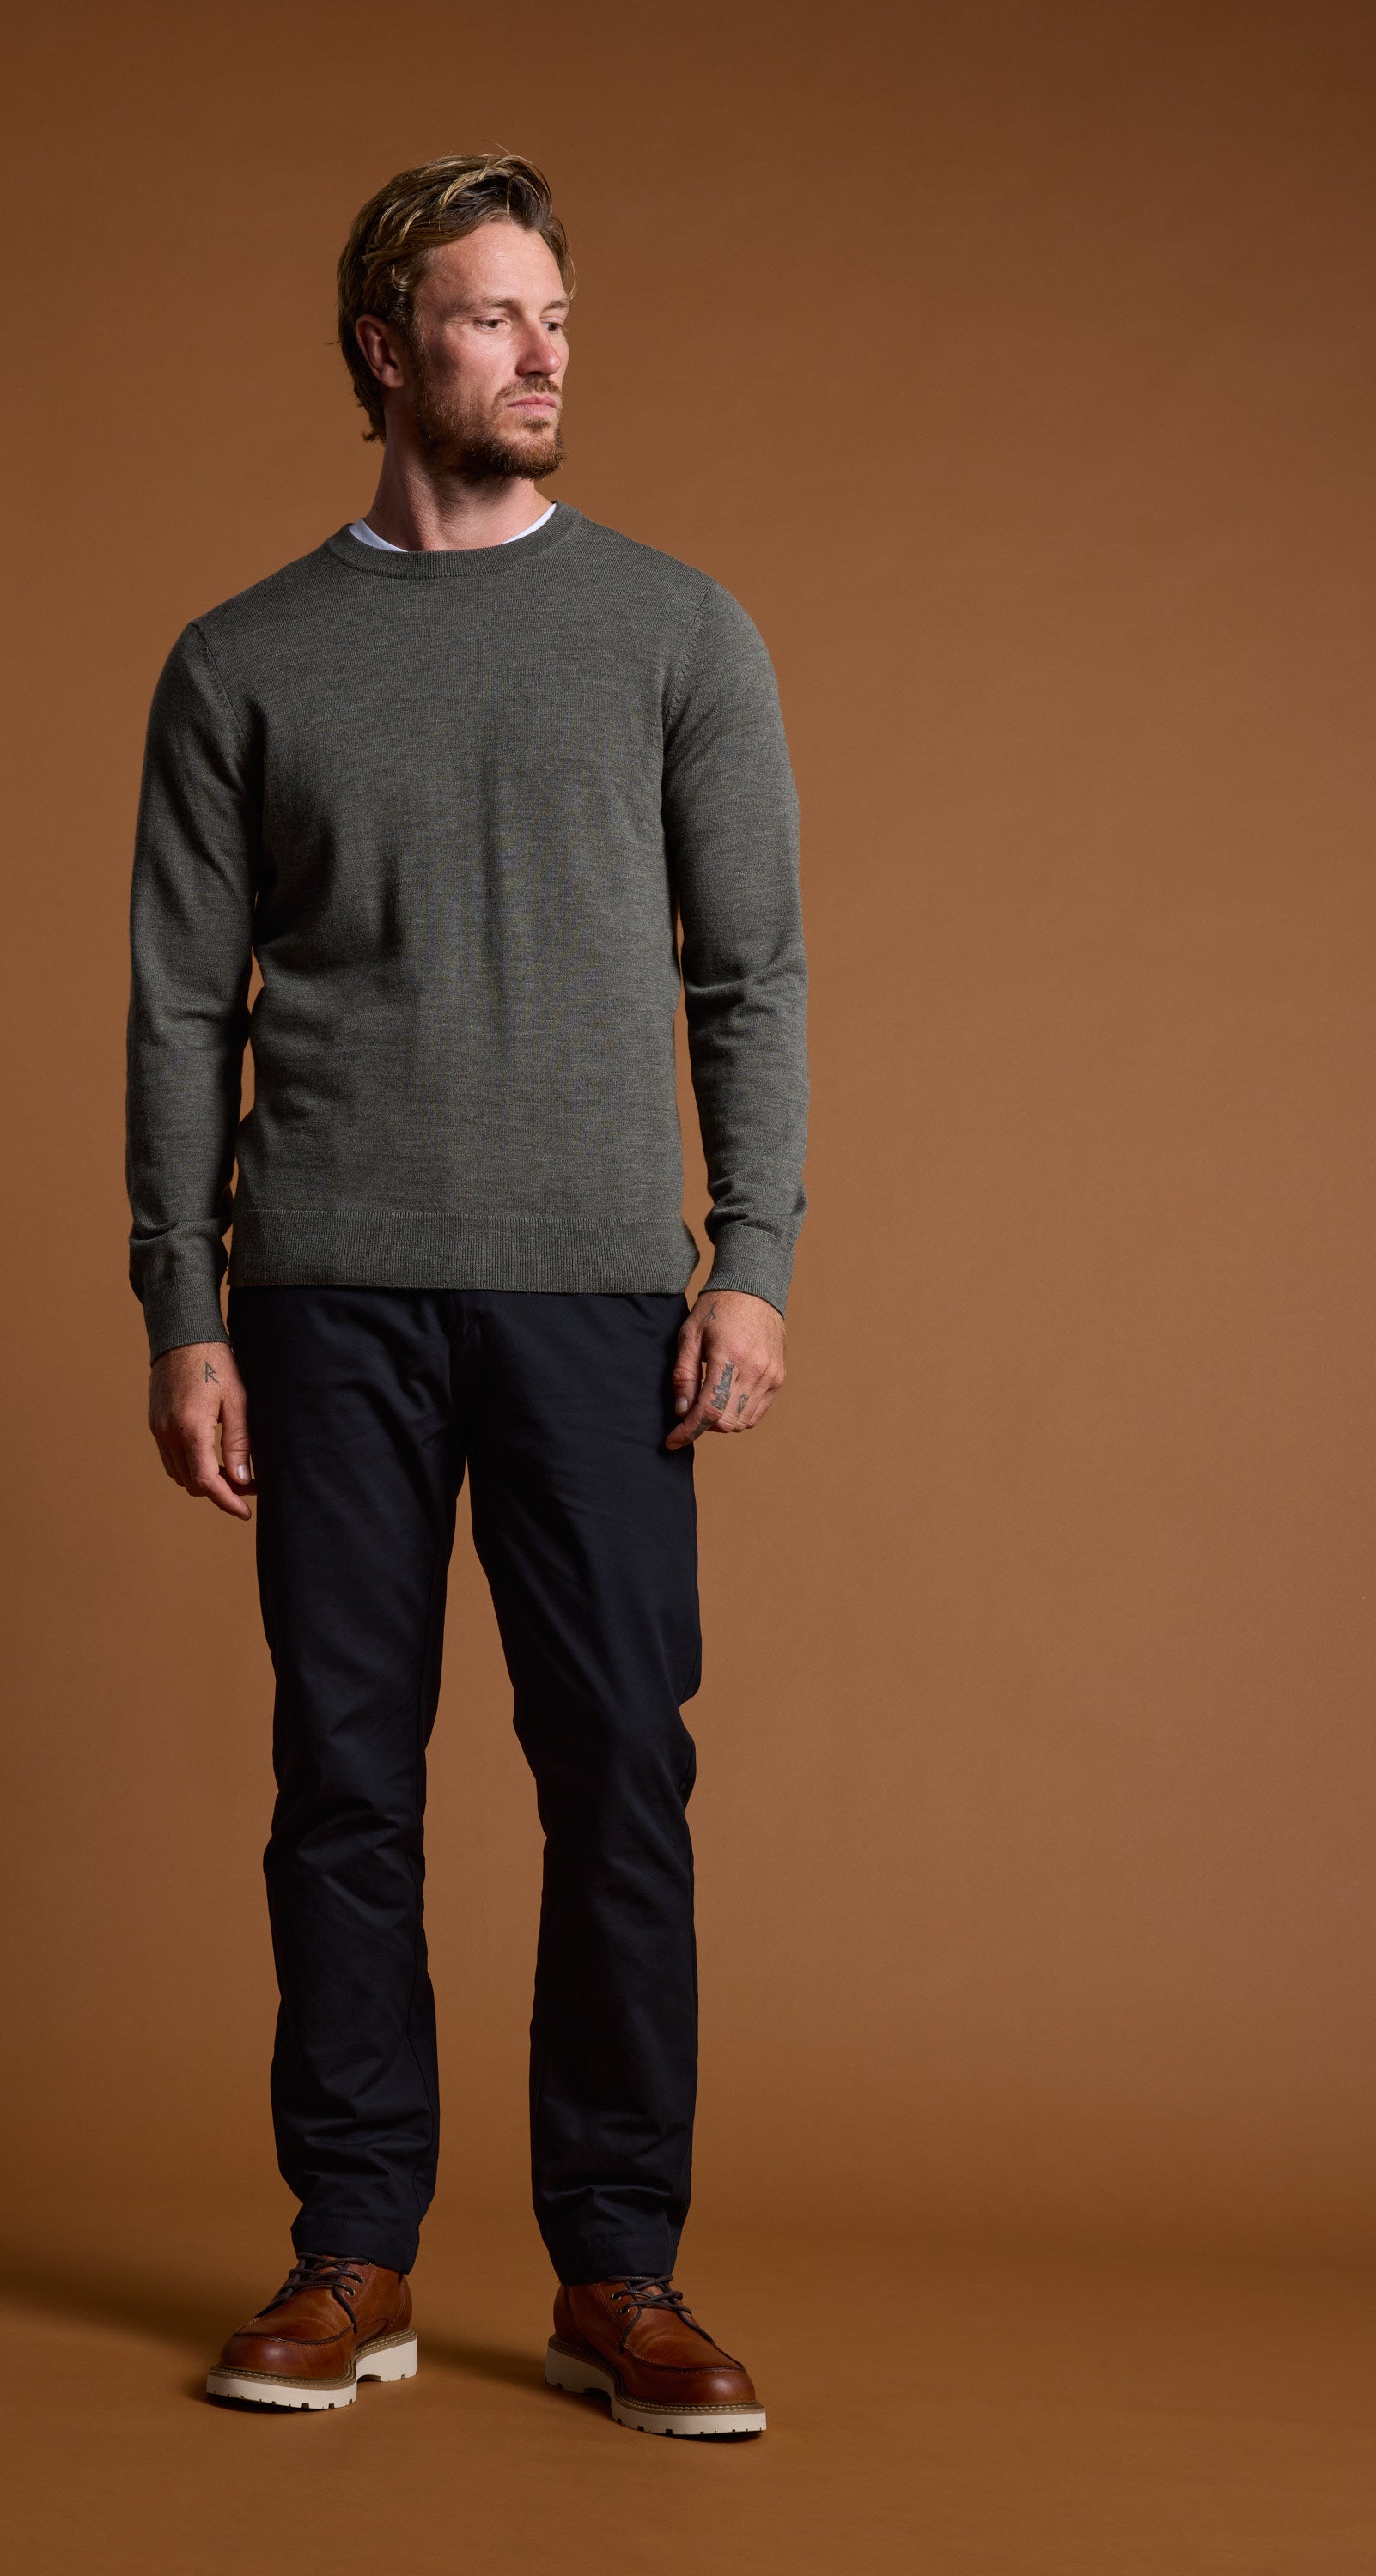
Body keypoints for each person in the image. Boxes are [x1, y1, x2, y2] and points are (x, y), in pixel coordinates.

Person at [126, 153, 807, 2439]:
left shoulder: (679, 632)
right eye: (496, 318)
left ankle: (621, 2275)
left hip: (603, 1293)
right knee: (343, 1784)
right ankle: (352, 2258)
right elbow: (174, 1011)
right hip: (323, 1295)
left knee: (618, 1776)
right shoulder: (240, 661)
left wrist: (757, 1263)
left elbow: (755, 975)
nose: (542, 356)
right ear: (383, 346)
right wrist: (180, 1303)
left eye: (557, 320)